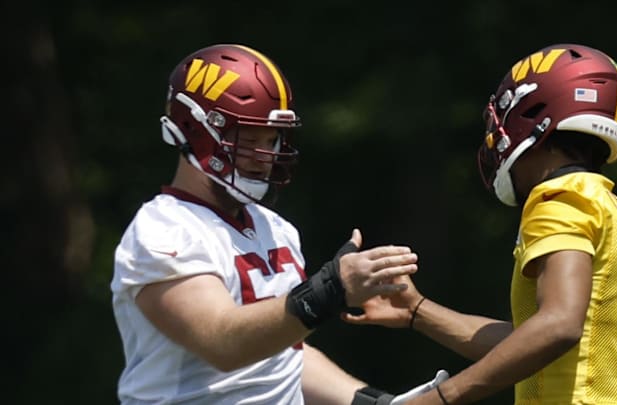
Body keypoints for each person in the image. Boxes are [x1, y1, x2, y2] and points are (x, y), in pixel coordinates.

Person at [110, 43, 444, 404]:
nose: (264, 155)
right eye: (248, 138)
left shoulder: (275, 228)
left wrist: (373, 402)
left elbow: (282, 359)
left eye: (271, 139)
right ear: (196, 129)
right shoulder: (162, 229)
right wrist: (330, 290)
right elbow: (223, 343)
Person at [344, 43, 617, 404]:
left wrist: (440, 398)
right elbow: (533, 341)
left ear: (536, 114)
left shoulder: (558, 198)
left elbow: (559, 325)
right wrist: (418, 311)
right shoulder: (607, 205)